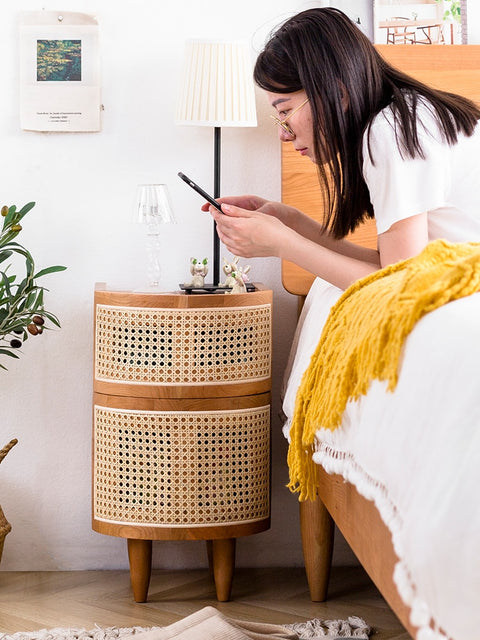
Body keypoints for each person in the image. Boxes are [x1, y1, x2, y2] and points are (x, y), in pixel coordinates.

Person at [203, 7, 480, 291]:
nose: (282, 134)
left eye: (285, 111)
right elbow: (392, 268)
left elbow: (400, 287)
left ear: (336, 94)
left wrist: (282, 243)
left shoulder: (391, 130)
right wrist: (291, 223)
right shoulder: (405, 115)